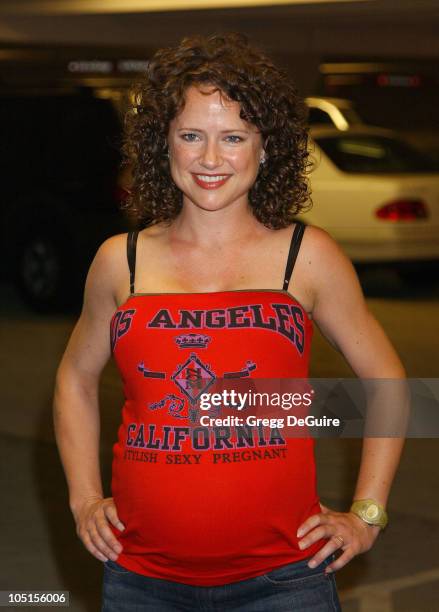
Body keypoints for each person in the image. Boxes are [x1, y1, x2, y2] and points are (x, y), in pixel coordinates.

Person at [53, 33, 406, 611]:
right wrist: (84, 499)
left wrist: (367, 513)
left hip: (286, 582)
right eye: (191, 135)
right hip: (142, 581)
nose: (210, 159)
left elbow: (388, 383)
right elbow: (73, 379)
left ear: (265, 149)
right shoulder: (122, 259)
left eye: (233, 137)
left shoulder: (307, 255)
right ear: (162, 144)